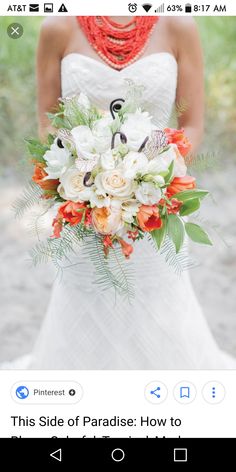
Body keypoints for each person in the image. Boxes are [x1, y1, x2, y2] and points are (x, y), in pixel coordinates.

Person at [25, 16, 235, 369]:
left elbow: (192, 125)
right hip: (83, 201)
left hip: (154, 203)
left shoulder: (179, 24)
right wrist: (82, 178)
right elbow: (48, 123)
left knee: (157, 304)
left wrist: (149, 182)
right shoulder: (56, 27)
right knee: (85, 303)